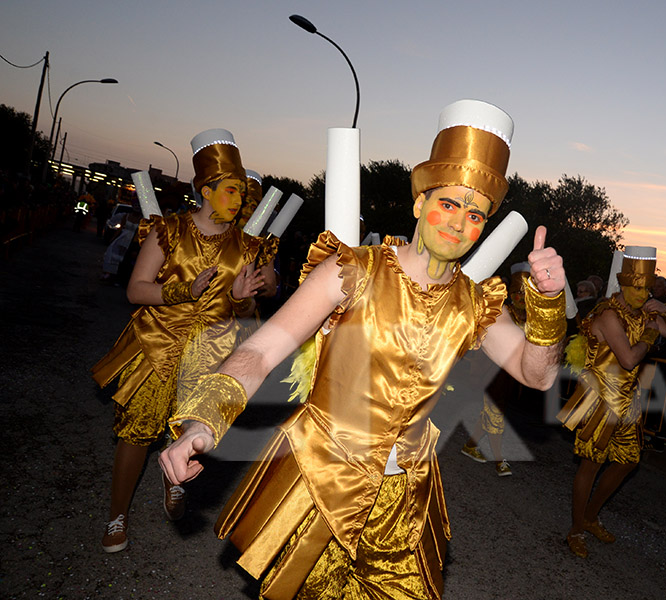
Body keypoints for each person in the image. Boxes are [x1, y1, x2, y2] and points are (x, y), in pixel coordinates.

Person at [159, 100, 568, 599]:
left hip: (403, 503)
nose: (459, 223)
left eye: (476, 213)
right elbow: (262, 352)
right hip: (320, 484)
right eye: (449, 204)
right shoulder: (353, 269)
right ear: (420, 203)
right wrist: (203, 423)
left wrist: (549, 306)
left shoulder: (476, 302)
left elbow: (539, 374)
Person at [92, 129, 273, 553]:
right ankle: (117, 514)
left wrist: (250, 294)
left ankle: (175, 482)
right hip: (157, 347)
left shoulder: (247, 244)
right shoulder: (168, 230)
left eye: (244, 192)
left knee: (194, 430)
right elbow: (136, 290)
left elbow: (250, 302)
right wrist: (182, 292)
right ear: (206, 190)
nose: (241, 199)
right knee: (136, 433)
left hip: (213, 353)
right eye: (233, 190)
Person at [558, 246, 666, 558]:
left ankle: (590, 517)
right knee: (591, 466)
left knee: (628, 461)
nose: (643, 295)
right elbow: (628, 359)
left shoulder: (643, 313)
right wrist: (649, 338)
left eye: (647, 289)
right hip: (600, 401)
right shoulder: (608, 316)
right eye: (638, 289)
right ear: (624, 286)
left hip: (628, 402)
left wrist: (665, 311)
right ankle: (576, 530)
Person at [460, 263, 530, 477]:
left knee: (492, 412)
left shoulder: (529, 318)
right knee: (496, 413)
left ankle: (470, 446)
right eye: (517, 293)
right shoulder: (501, 312)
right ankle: (500, 460)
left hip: (511, 375)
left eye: (526, 294)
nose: (521, 298)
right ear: (510, 294)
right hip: (491, 371)